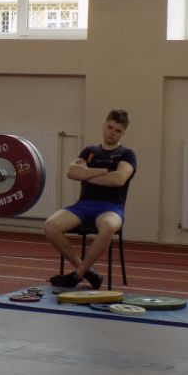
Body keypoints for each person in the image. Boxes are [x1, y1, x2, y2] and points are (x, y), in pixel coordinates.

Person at [44, 109, 137, 290]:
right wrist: (103, 171)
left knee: (107, 226)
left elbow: (118, 179)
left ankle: (77, 275)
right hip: (84, 205)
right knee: (50, 226)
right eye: (110, 127)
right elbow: (72, 172)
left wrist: (86, 174)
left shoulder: (127, 154)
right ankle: (88, 272)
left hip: (111, 208)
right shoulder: (89, 151)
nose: (112, 132)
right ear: (104, 126)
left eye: (117, 130)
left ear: (123, 133)